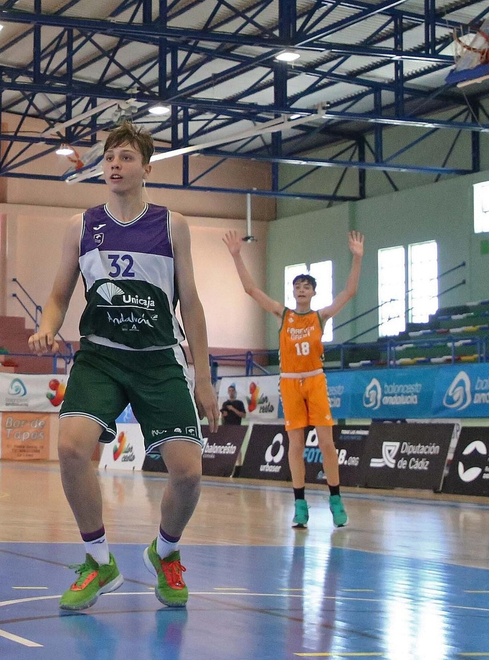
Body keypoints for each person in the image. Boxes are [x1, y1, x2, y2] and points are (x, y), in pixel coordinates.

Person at [27, 121, 219, 612]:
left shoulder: (173, 225)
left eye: (126, 157)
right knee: (71, 448)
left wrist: (205, 378)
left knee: (188, 473)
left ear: (146, 168)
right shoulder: (81, 226)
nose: (114, 164)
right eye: (110, 157)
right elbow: (57, 294)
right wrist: (48, 324)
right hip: (101, 356)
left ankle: (166, 551)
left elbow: (191, 304)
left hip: (159, 359)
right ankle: (98, 560)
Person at [226, 229, 363, 529]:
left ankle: (335, 500)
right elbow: (251, 290)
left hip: (314, 380)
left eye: (306, 287)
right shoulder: (282, 314)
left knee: (327, 443)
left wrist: (357, 259)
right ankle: (300, 505)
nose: (301, 290)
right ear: (293, 292)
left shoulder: (320, 317)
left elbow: (349, 292)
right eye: (298, 286)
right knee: (296, 445)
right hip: (289, 382)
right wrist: (237, 255)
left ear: (313, 292)